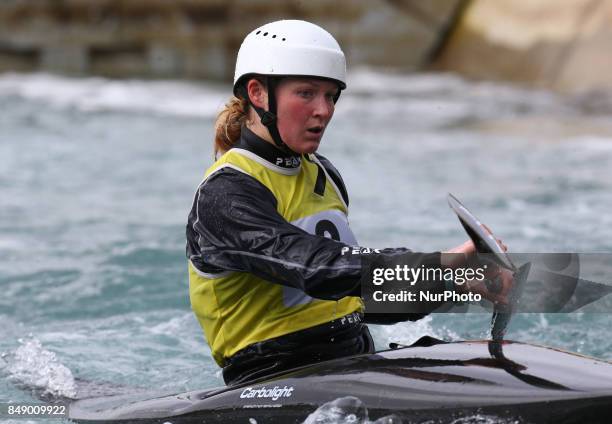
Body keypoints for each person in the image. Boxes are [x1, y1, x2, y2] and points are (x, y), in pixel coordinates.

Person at [186, 19, 512, 386]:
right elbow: (316, 268)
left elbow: (352, 296)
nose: (323, 110)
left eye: (330, 96)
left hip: (351, 358)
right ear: (258, 93)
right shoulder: (225, 193)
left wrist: (454, 282)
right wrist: (437, 264)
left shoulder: (323, 174)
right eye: (306, 93)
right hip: (272, 379)